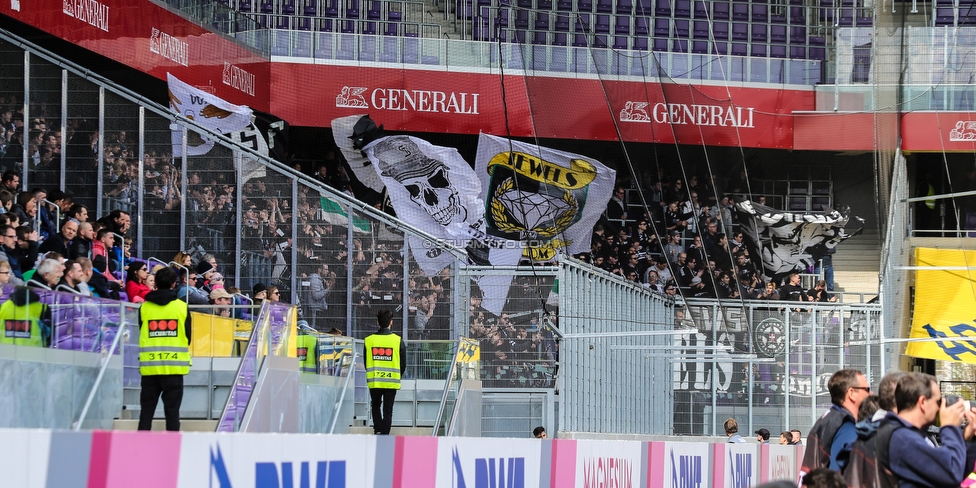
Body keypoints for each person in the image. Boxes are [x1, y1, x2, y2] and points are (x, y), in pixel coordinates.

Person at [881, 372, 976, 488]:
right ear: (922, 402)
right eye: (938, 402)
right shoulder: (903, 439)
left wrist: (967, 438)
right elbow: (951, 474)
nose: (940, 408)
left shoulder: (908, 434)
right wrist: (950, 427)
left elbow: (951, 474)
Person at [137, 267, 191, 431]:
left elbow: (142, 330)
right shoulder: (182, 307)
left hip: (150, 368)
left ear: (156, 284)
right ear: (174, 284)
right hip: (174, 368)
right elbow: (187, 337)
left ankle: (139, 451)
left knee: (146, 414)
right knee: (172, 414)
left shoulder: (144, 308)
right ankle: (172, 452)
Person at [800, 369, 871, 474]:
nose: (871, 394)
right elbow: (839, 477)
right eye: (867, 389)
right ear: (852, 393)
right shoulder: (846, 426)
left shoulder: (829, 418)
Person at [364, 309, 405, 435]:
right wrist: (397, 375)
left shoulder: (369, 340)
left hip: (375, 380)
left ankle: (378, 429)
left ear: (377, 322)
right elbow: (403, 363)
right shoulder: (397, 340)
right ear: (391, 323)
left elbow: (366, 361)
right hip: (391, 381)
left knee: (375, 405)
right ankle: (385, 434)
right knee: (388, 410)